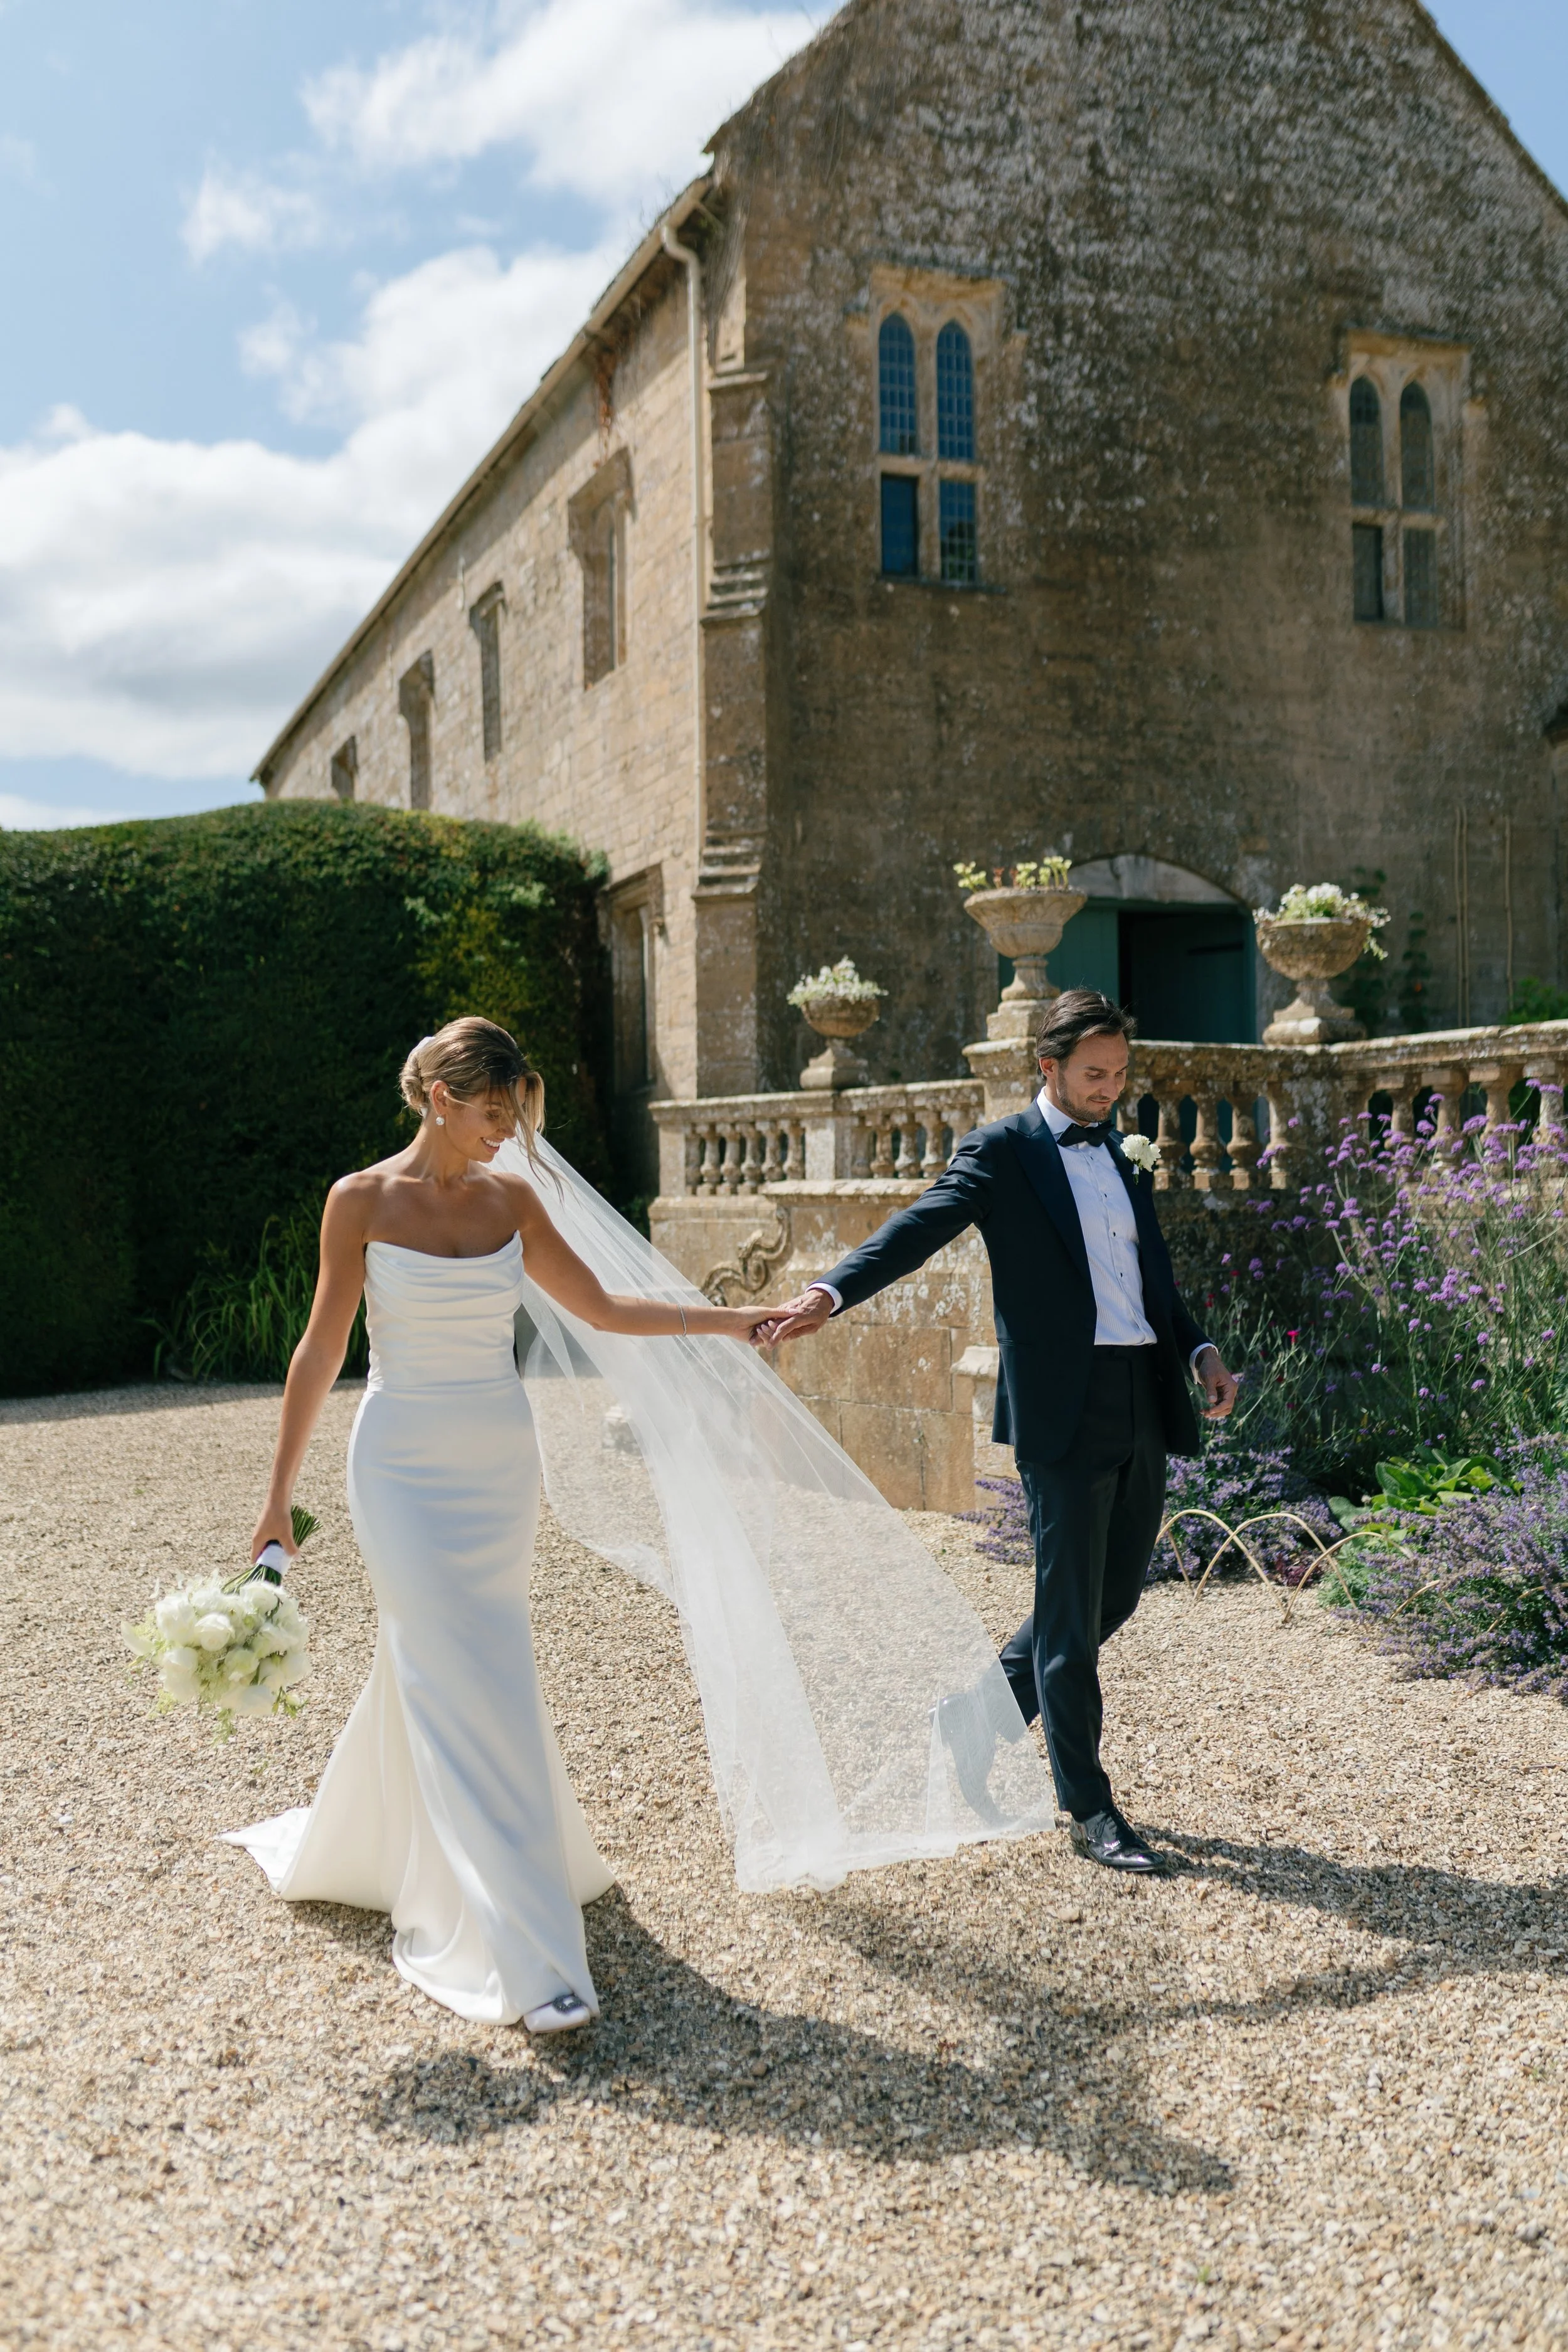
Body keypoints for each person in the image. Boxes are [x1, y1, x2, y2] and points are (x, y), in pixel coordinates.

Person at [227, 1017, 773, 2033]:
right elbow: (318, 1351)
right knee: (445, 1661)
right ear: (440, 1097)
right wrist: (274, 1497)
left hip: (495, 1461)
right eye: (491, 1115)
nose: (504, 1137)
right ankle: (527, 1951)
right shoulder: (359, 1201)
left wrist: (730, 1323)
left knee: (474, 1661)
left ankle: (376, 1841)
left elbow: (605, 1309)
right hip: (397, 1464)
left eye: (511, 1119)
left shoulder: (513, 1198)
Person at [761, 989, 1239, 1875]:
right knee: (1065, 1620)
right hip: (1064, 1404)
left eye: (1121, 1074)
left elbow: (1152, 1280)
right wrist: (828, 1293)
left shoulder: (1126, 1158)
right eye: (1095, 1075)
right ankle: (1090, 1808)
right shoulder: (1004, 1152)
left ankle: (972, 1719)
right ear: (1048, 1068)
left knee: (1113, 1600)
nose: (1110, 1090)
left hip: (1142, 1389)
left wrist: (1200, 1348)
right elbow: (916, 1229)